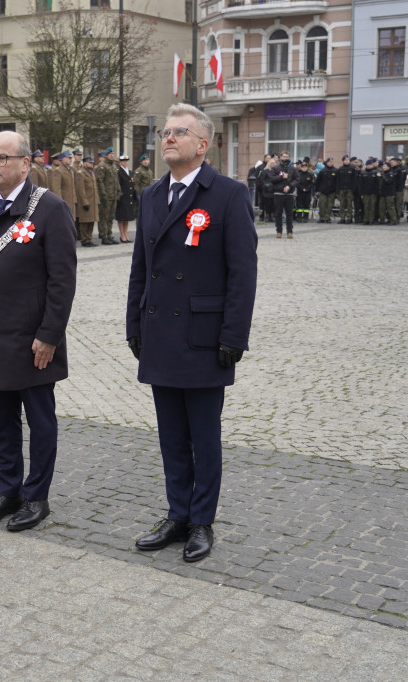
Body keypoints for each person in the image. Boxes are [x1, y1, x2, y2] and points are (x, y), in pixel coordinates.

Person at [126, 103, 257, 563]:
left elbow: (243, 272)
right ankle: (177, 514)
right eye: (165, 131)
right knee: (170, 437)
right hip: (160, 332)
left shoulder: (227, 194)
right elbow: (141, 267)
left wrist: (233, 336)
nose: (168, 138)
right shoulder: (150, 195)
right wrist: (134, 323)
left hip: (204, 337)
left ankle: (202, 521)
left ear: (203, 144)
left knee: (204, 436)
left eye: (179, 132)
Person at [0, 130, 77, 532]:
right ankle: (7, 489)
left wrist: (50, 335)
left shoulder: (49, 208)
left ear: (26, 163)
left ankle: (35, 496)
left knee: (40, 423)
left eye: (2, 158)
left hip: (32, 341)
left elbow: (62, 280)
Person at [269, 151, 299, 238]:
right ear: (280, 157)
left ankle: (290, 232)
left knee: (289, 213)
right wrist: (281, 177)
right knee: (278, 213)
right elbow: (271, 179)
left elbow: (297, 179)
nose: (285, 158)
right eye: (284, 157)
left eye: (287, 157)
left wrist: (289, 186)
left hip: (289, 194)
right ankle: (279, 231)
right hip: (278, 193)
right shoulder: (276, 168)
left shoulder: (293, 169)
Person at [95, 147, 120, 244]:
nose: (112, 155)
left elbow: (115, 180)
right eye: (110, 153)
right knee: (104, 216)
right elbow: (99, 181)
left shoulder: (113, 166)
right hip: (105, 196)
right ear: (106, 155)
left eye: (113, 153)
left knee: (110, 217)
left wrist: (118, 191)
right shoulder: (102, 166)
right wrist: (103, 195)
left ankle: (109, 234)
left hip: (113, 195)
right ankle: (103, 236)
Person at [75, 156, 99, 247]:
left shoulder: (91, 173)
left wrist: (97, 200)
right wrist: (85, 202)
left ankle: (89, 239)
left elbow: (94, 188)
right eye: (90, 163)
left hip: (93, 201)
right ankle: (85, 240)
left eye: (92, 163)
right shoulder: (80, 173)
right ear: (85, 163)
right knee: (85, 222)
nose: (91, 164)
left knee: (91, 221)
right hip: (85, 202)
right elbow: (80, 190)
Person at [115, 153, 138, 243]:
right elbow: (118, 184)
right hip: (122, 196)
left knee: (127, 216)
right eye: (123, 161)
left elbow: (132, 184)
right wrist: (119, 195)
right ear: (120, 162)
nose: (125, 163)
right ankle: (122, 235)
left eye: (126, 161)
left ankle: (126, 234)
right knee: (121, 217)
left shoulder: (130, 171)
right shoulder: (119, 172)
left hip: (129, 197)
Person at [335, 155, 356, 224]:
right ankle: (342, 218)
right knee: (342, 204)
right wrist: (337, 190)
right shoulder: (340, 169)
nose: (347, 161)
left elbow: (354, 180)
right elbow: (337, 180)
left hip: (350, 189)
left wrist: (353, 189)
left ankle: (349, 218)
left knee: (349, 204)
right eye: (345, 160)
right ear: (343, 161)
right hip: (341, 189)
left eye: (348, 160)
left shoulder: (353, 168)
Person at [315, 157, 336, 223]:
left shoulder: (335, 170)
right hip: (323, 191)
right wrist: (318, 190)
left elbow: (337, 181)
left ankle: (328, 218)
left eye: (332, 162)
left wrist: (336, 190)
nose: (330, 163)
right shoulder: (322, 171)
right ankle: (322, 217)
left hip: (332, 191)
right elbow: (318, 181)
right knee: (322, 205)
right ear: (327, 162)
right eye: (329, 162)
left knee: (330, 205)